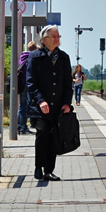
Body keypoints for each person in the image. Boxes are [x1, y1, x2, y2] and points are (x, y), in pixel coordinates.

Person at [26, 26, 73, 181]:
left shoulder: (64, 58)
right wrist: (40, 101)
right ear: (44, 39)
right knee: (42, 134)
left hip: (57, 106)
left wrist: (67, 103)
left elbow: (67, 83)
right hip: (40, 107)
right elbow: (31, 82)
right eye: (54, 36)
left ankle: (49, 170)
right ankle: (38, 167)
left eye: (59, 36)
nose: (57, 39)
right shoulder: (34, 57)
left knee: (53, 137)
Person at [16, 40, 37, 134]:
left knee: (22, 107)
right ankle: (22, 127)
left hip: (22, 84)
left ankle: (20, 126)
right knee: (25, 107)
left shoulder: (22, 58)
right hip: (27, 85)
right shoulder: (30, 58)